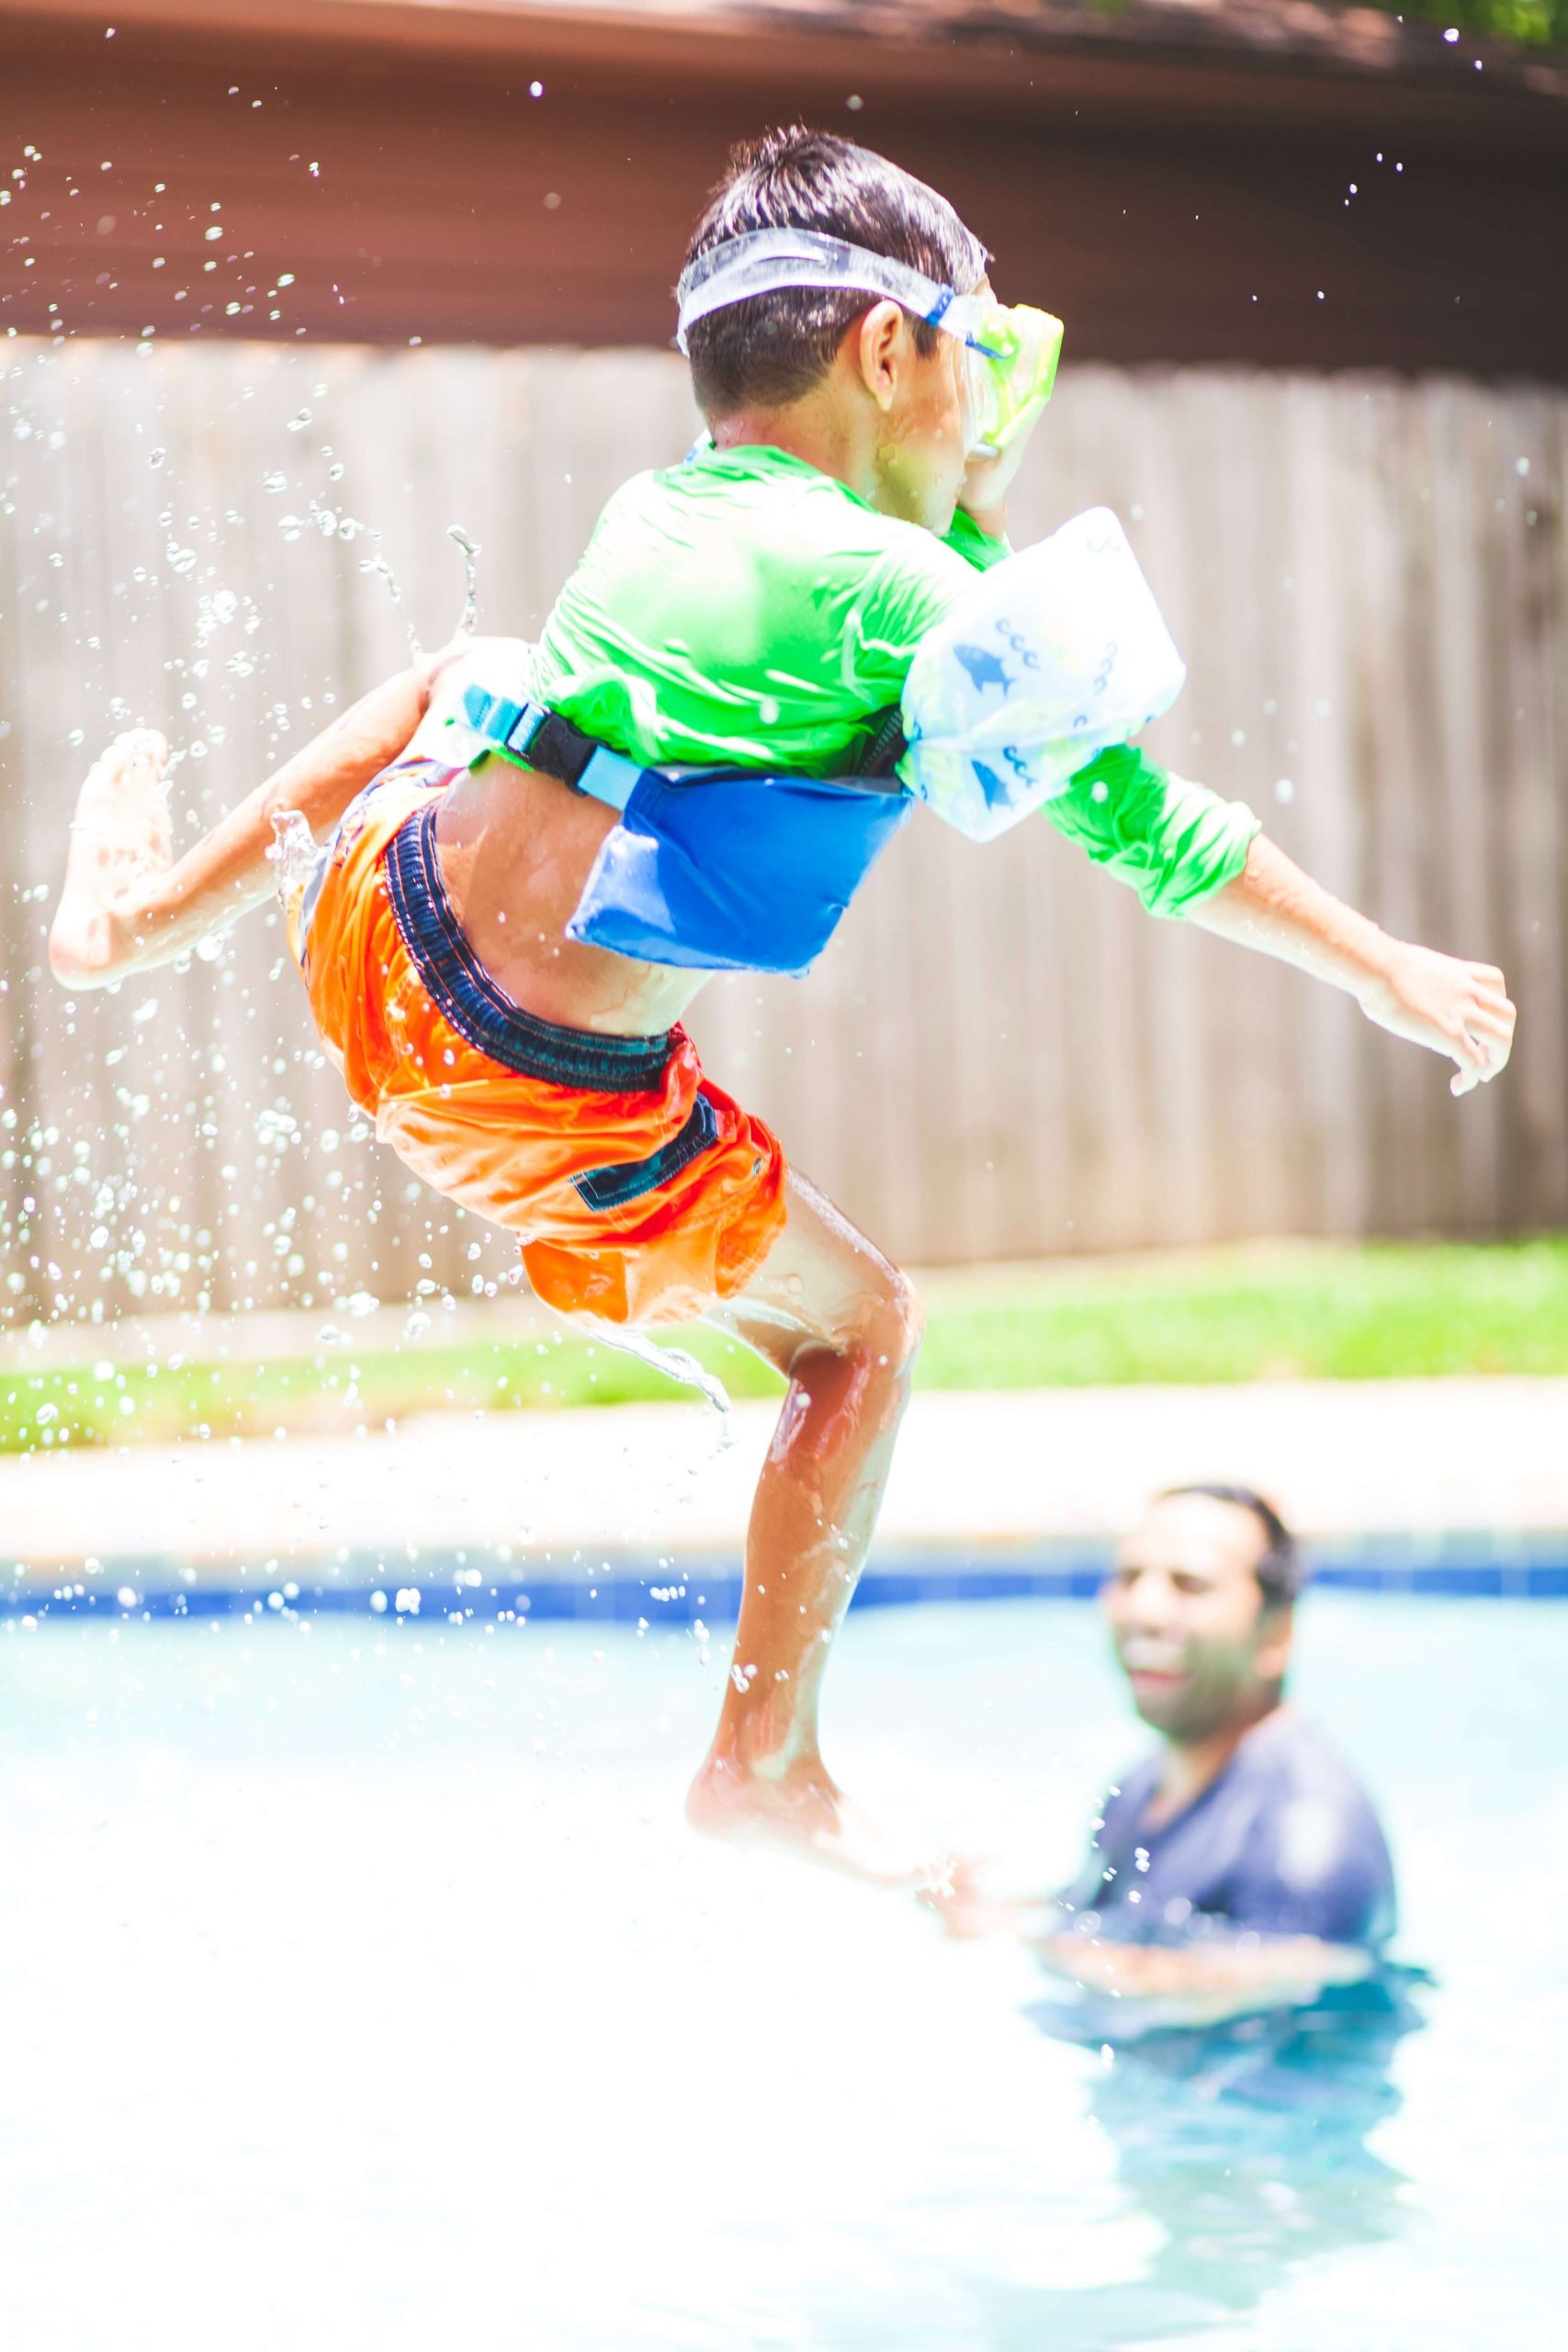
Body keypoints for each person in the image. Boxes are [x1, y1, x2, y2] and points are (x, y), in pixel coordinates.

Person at [48, 129, 1515, 1888]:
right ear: (886, 354)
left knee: (480, 674)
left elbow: (797, 620)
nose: (987, 420)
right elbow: (1157, 835)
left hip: (371, 924)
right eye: (970, 365)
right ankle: (765, 1760)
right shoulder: (900, 599)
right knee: (866, 1336)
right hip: (530, 1086)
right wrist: (1391, 971)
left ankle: (131, 922)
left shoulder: (662, 512)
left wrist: (947, 521)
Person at [935, 1487, 1400, 2017]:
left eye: (1190, 1585)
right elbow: (1105, 1918)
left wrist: (1010, 1935)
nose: (1144, 1609)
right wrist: (975, 1901)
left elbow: (1250, 1990)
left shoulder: (1307, 1835)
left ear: (1277, 1633)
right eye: (1130, 1578)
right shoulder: (1141, 1787)